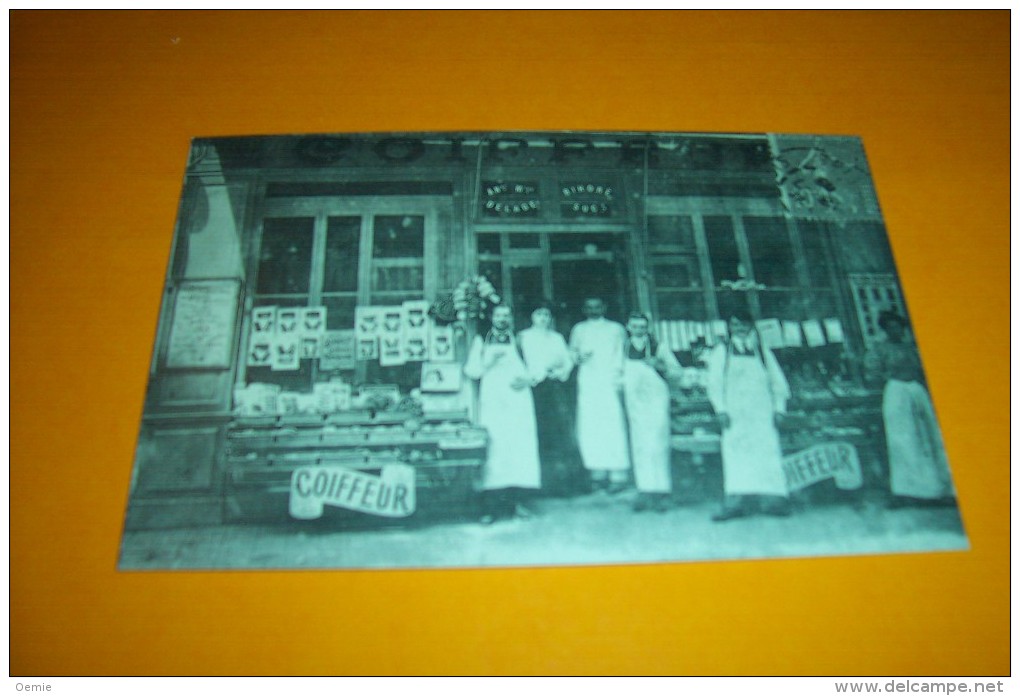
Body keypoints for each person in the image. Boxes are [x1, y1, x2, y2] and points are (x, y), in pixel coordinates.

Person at [705, 309, 792, 521]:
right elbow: (714, 384)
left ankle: (772, 501)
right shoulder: (722, 352)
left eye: (744, 325)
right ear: (730, 327)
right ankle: (735, 504)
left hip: (761, 413)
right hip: (735, 414)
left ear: (751, 326)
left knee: (767, 454)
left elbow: (777, 382)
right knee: (736, 457)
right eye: (735, 325)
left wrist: (779, 408)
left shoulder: (762, 351)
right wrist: (721, 410)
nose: (740, 329)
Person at [864, 310, 954, 507]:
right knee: (902, 441)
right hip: (896, 392)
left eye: (898, 326)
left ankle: (937, 489)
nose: (895, 330)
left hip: (917, 391)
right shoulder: (879, 349)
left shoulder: (913, 348)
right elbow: (871, 372)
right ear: (885, 330)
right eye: (891, 327)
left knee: (928, 439)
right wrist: (888, 383)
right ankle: (906, 491)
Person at [463, 304, 542, 523]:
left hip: (518, 403)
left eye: (506, 315)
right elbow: (472, 370)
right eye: (498, 315)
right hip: (494, 404)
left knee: (519, 451)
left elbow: (537, 369)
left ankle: (519, 504)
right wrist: (489, 362)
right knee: (495, 451)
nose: (502, 319)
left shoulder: (520, 340)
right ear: (491, 317)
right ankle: (491, 508)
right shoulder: (481, 340)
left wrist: (529, 379)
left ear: (511, 318)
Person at [518, 302, 584, 496]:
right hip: (533, 388)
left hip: (554, 389)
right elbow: (519, 363)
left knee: (560, 433)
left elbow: (567, 360)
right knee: (537, 433)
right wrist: (533, 375)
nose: (543, 318)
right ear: (532, 317)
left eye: (546, 315)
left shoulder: (556, 338)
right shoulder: (523, 337)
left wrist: (560, 371)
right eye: (539, 314)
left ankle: (564, 486)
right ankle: (538, 487)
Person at [568, 297, 631, 493]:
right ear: (584, 309)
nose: (593, 310)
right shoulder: (579, 329)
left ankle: (618, 475)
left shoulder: (616, 329)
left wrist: (619, 377)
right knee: (591, 426)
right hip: (588, 381)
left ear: (604, 307)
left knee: (613, 425)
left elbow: (623, 354)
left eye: (597, 306)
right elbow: (570, 354)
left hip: (610, 381)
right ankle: (597, 474)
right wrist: (578, 357)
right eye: (589, 307)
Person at [623, 313, 682, 512]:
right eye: (635, 326)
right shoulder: (622, 347)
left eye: (642, 327)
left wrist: (660, 365)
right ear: (628, 327)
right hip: (635, 402)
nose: (639, 330)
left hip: (656, 400)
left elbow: (676, 372)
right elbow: (616, 373)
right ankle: (645, 490)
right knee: (640, 444)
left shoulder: (659, 347)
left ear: (648, 328)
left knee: (658, 443)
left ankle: (662, 491)